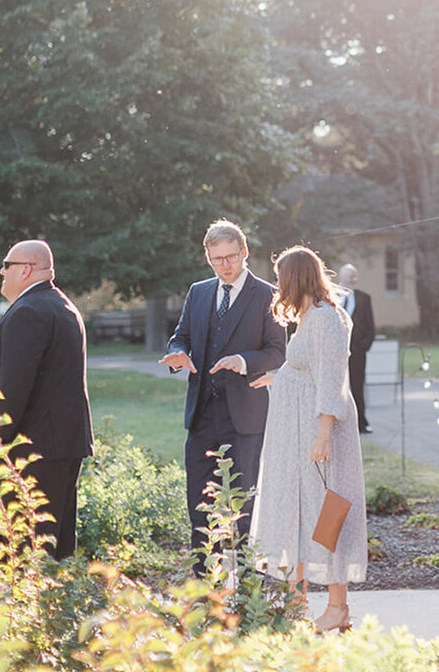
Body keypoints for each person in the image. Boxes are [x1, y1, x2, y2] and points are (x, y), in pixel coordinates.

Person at [248, 246, 368, 631]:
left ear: (295, 277)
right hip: (299, 433)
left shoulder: (325, 318)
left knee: (326, 514)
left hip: (320, 434)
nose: (278, 286)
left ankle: (337, 607)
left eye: (281, 278)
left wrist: (323, 434)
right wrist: (278, 378)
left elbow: (331, 379)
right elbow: (306, 369)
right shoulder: (308, 318)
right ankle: (297, 602)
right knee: (301, 513)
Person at [161, 219, 287, 563]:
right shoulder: (198, 292)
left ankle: (246, 584)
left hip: (245, 416)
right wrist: (179, 354)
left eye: (231, 257)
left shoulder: (266, 295)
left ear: (244, 252)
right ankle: (204, 584)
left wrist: (243, 361)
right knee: (199, 504)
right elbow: (181, 335)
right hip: (201, 414)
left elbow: (278, 351)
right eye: (218, 259)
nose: (225, 266)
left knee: (245, 504)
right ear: (208, 258)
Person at [0, 240, 92, 558]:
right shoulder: (59, 304)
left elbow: (14, 387)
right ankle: (58, 605)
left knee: (25, 545)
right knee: (56, 543)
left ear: (26, 269)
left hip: (35, 447)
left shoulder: (28, 311)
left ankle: (32, 606)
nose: (1, 272)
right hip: (60, 443)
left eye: (6, 265)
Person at [336, 263, 376, 433]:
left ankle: (361, 423)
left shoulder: (363, 298)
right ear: (341, 277)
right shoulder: (333, 297)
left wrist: (363, 346)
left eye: (354, 275)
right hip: (336, 352)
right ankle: (338, 423)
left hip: (357, 352)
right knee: (337, 387)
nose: (352, 278)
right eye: (349, 275)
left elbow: (370, 326)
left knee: (358, 386)